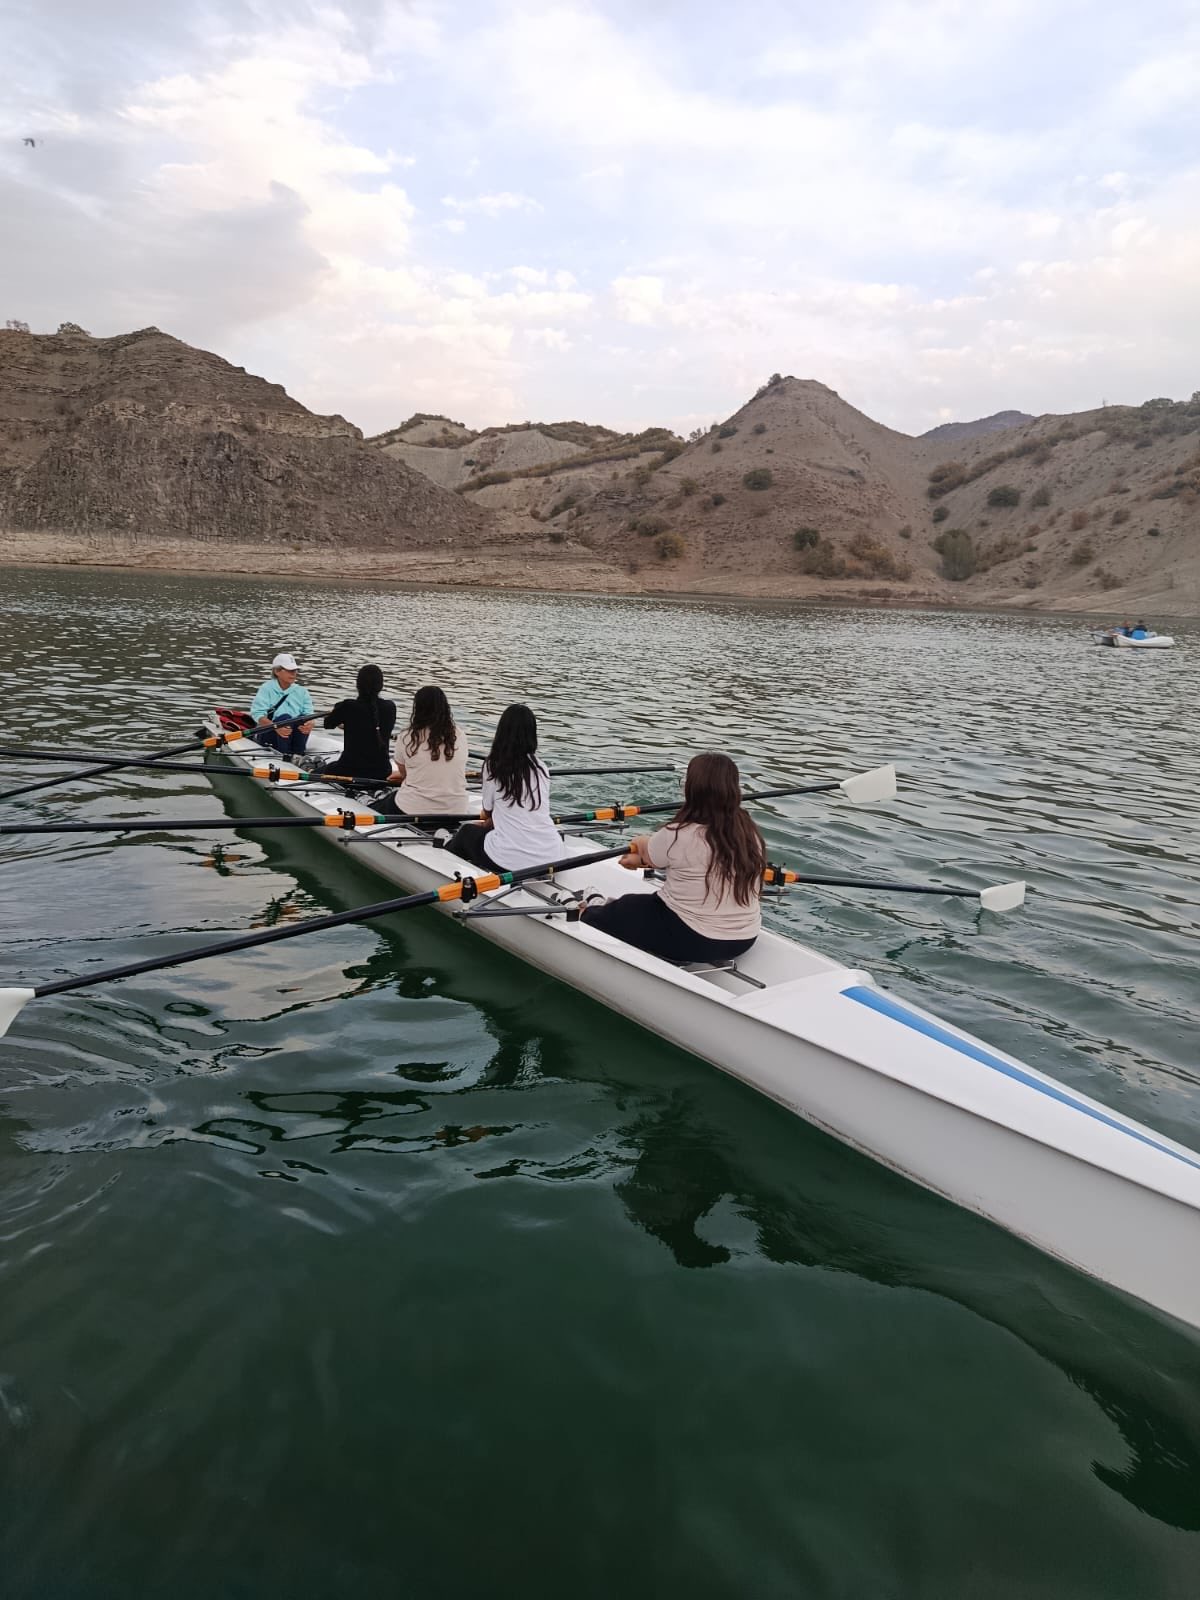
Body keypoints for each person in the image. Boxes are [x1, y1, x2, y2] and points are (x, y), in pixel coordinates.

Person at [582, 752, 765, 964]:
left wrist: (639, 849)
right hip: (745, 939)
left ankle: (589, 910)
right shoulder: (749, 833)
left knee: (626, 906)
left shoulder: (678, 833)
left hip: (691, 937)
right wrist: (640, 859)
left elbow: (647, 848)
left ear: (692, 790)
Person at [448, 703, 562, 870]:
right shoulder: (541, 767)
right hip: (553, 855)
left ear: (501, 731)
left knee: (466, 833)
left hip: (509, 858)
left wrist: (486, 823)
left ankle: (446, 856)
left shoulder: (493, 765)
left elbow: (487, 811)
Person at [390, 686, 470, 816]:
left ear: (418, 709)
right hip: (457, 809)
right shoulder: (460, 735)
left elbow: (404, 774)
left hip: (412, 808)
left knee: (381, 803)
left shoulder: (406, 736)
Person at [322, 665, 396, 781]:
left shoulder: (348, 706)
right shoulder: (390, 707)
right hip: (383, 772)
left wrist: (336, 711)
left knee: (321, 769)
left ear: (358, 685)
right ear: (380, 686)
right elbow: (370, 724)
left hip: (349, 771)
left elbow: (328, 724)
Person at [250, 652, 314, 755]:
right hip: (269, 733)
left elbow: (309, 714)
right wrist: (276, 727)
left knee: (304, 719)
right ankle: (285, 755)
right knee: (284, 718)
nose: (294, 673)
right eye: (289, 670)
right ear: (277, 671)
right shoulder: (266, 688)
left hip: (293, 732)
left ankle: (298, 754)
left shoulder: (302, 691)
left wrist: (310, 724)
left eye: (295, 670)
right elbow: (258, 715)